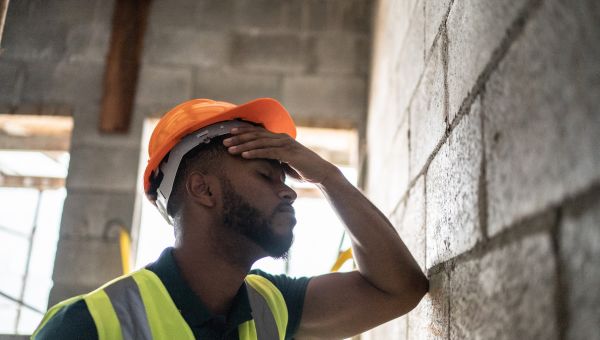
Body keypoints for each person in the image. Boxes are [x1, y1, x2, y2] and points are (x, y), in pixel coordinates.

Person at [32, 98, 428, 340]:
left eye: (286, 178)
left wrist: (328, 177)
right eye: (265, 176)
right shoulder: (86, 327)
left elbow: (400, 289)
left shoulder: (268, 304)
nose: (289, 190)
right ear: (204, 190)